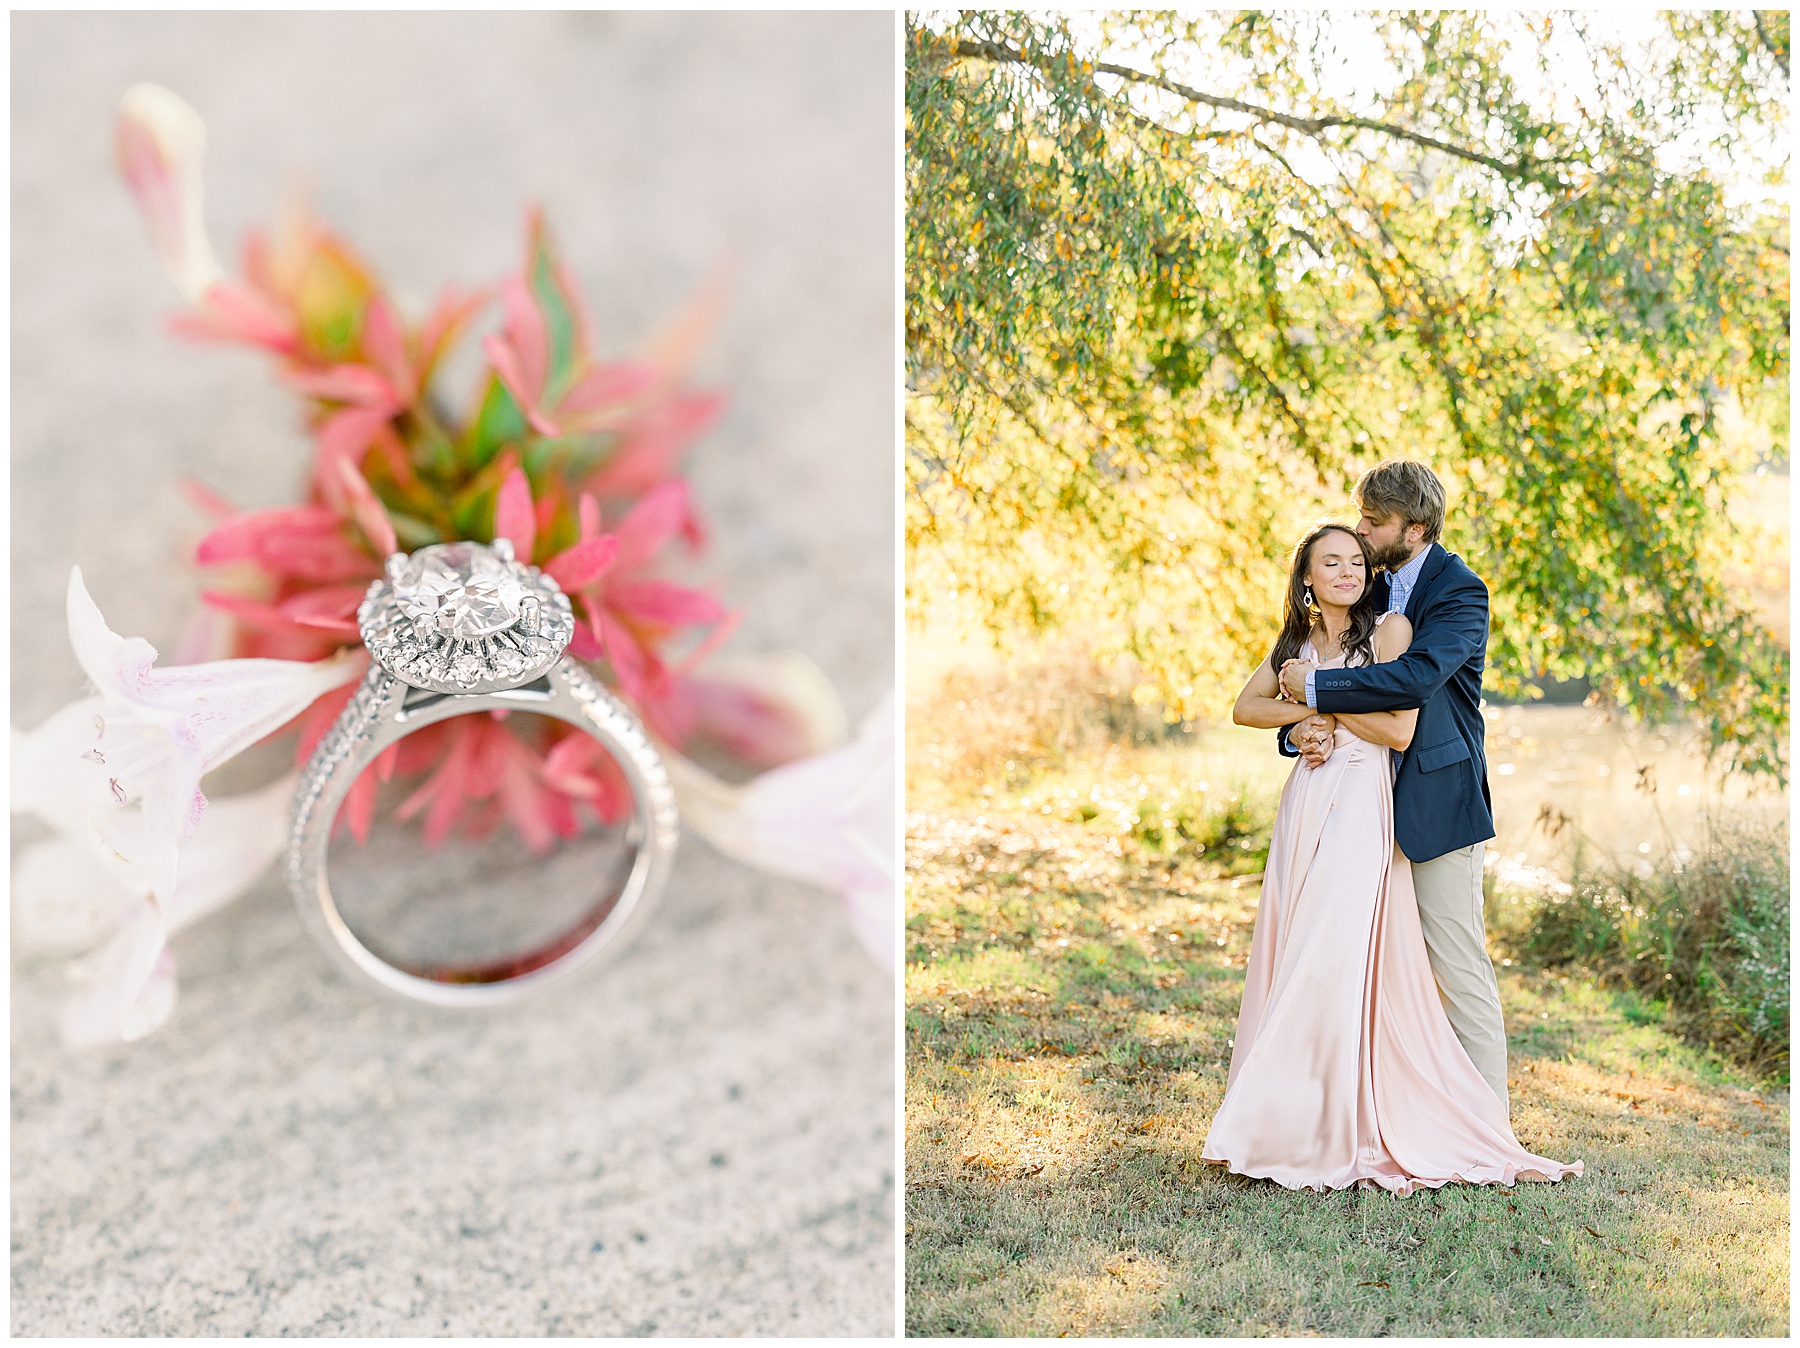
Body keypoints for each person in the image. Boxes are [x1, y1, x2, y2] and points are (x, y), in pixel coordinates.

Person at [1199, 516, 1580, 1193]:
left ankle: (1348, 1125)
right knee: (1295, 949)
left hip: (1365, 803)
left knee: (1333, 951)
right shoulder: (1296, 640)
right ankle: (1287, 1117)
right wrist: (1300, 724)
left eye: (1357, 558)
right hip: (1307, 801)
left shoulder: (1390, 633)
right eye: (1332, 563)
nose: (1347, 571)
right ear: (1308, 580)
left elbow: (1401, 729)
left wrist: (1320, 704)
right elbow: (1244, 708)